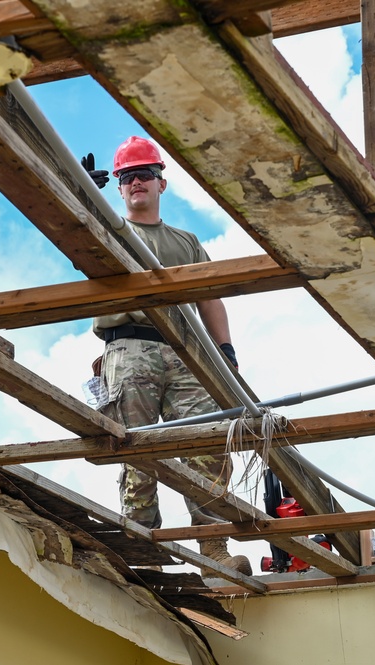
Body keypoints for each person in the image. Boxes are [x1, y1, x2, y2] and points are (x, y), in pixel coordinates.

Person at [86, 136, 251, 577]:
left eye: (145, 174)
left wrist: (226, 353)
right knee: (135, 447)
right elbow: (76, 236)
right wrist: (79, 192)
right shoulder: (106, 230)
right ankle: (143, 548)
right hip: (127, 346)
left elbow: (210, 298)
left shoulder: (186, 242)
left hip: (184, 351)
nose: (136, 182)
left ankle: (213, 547)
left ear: (162, 184)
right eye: (127, 177)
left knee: (207, 441)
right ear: (118, 188)